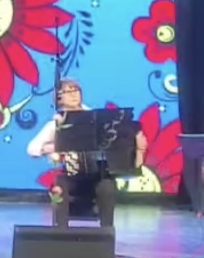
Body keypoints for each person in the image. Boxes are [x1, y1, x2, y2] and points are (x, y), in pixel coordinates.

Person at [26, 78, 147, 227]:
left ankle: (106, 233)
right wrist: (55, 146)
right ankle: (60, 232)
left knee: (107, 186)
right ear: (59, 98)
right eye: (68, 91)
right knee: (59, 186)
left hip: (98, 176)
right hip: (71, 177)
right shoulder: (56, 125)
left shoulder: (98, 120)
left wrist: (138, 147)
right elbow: (32, 148)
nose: (73, 94)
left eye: (76, 90)